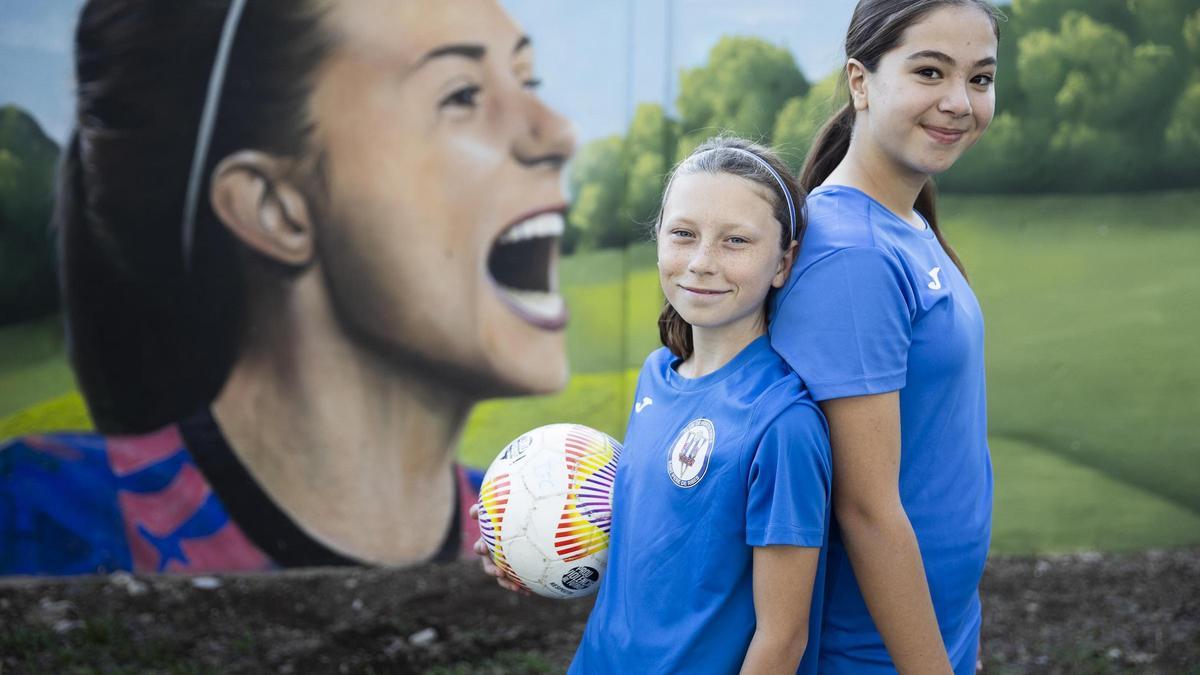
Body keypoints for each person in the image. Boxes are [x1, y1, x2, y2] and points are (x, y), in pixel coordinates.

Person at [0, 0, 574, 575]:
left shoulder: (534, 537)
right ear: (275, 209)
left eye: (529, 80)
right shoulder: (42, 521)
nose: (558, 134)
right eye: (462, 95)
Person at [768, 1, 1001, 672]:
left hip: (938, 628)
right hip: (871, 654)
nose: (959, 101)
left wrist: (962, 632)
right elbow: (867, 511)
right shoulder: (852, 256)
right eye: (930, 71)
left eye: (980, 79)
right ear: (860, 81)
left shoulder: (904, 219)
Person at [567, 136, 831, 674]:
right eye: (683, 234)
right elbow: (656, 550)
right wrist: (526, 545)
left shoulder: (783, 423)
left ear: (785, 262)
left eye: (736, 241)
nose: (702, 263)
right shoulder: (655, 376)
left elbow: (782, 640)